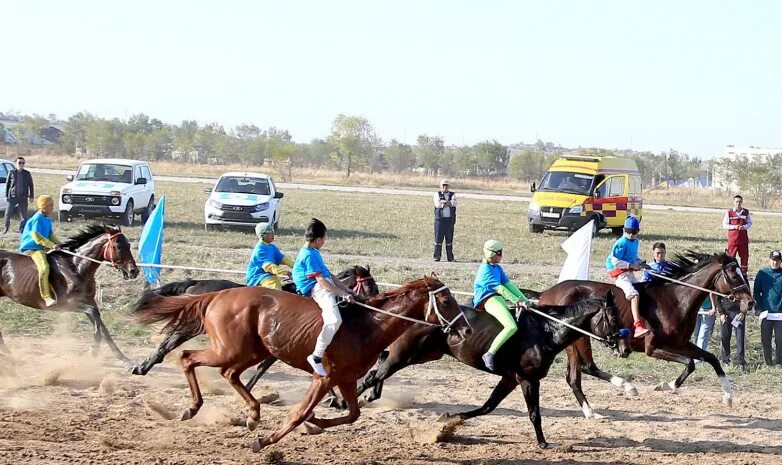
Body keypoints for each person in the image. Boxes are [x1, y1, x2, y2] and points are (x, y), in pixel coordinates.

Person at [292, 218, 356, 377]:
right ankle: (316, 356)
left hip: (323, 283)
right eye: (324, 238)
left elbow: (331, 276)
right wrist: (342, 294)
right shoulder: (309, 255)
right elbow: (320, 280)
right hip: (316, 288)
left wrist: (347, 290)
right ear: (318, 239)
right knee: (334, 320)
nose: (325, 241)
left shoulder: (314, 252)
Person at [473, 240, 531, 371]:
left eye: (501, 252)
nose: (501, 255)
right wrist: (517, 301)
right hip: (488, 300)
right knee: (511, 327)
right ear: (491, 254)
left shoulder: (497, 268)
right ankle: (489, 354)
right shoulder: (485, 270)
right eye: (499, 253)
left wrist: (525, 299)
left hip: (498, 299)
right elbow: (500, 289)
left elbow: (509, 285)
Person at [605, 216, 650, 338]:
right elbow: (616, 262)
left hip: (630, 274)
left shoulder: (635, 242)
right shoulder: (621, 242)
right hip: (620, 275)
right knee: (634, 295)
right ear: (624, 230)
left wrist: (641, 263)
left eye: (634, 232)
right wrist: (632, 265)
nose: (631, 235)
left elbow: (632, 257)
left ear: (638, 231)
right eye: (628, 232)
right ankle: (638, 326)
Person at [19, 195, 60, 307]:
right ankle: (46, 297)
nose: (52, 207)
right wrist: (51, 245)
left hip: (44, 247)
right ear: (44, 206)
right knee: (44, 268)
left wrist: (61, 245)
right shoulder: (37, 219)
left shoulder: (47, 219)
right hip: (34, 249)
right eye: (50, 205)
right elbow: (37, 237)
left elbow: (50, 235)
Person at [753, 250, 782, 367]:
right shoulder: (762, 273)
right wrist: (759, 307)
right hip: (766, 313)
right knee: (766, 340)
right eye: (773, 260)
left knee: (780, 340)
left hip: (780, 313)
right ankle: (768, 362)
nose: (775, 262)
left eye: (777, 260)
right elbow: (756, 292)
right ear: (769, 260)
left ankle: (779, 361)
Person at [245, 222, 293, 290]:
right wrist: (287, 273)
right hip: (259, 277)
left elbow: (283, 259)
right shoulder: (260, 250)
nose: (273, 235)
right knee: (276, 289)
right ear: (262, 236)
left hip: (269, 275)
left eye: (273, 232)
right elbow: (269, 266)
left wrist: (296, 265)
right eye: (270, 233)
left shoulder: (272, 247)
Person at [722, 194, 752, 275]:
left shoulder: (746, 212)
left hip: (743, 240)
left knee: (744, 257)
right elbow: (724, 225)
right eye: (736, 201)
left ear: (742, 202)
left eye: (739, 201)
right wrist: (734, 227)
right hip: (733, 240)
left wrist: (744, 227)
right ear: (734, 202)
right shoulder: (729, 212)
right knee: (731, 257)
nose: (738, 203)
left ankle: (744, 273)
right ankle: (730, 272)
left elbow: (750, 223)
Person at [4, 156, 35, 234]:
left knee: (24, 215)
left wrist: (31, 196)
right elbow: (7, 185)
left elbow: (31, 185)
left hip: (23, 197)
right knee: (8, 213)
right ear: (16, 163)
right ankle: (6, 228)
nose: (21, 164)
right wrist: (6, 196)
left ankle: (22, 229)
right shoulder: (11, 173)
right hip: (13, 196)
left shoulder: (27, 174)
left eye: (23, 163)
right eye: (19, 163)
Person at [719, 296, 746, 372]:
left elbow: (746, 298)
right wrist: (721, 313)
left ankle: (741, 363)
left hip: (738, 314)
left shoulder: (743, 283)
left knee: (740, 339)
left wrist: (743, 312)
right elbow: (717, 298)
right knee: (725, 338)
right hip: (725, 314)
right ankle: (726, 361)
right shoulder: (722, 284)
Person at [433, 179, 456, 262]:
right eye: (443, 185)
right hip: (440, 221)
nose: (445, 187)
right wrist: (448, 203)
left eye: (446, 185)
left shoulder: (453, 194)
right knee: (438, 239)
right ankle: (437, 256)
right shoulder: (437, 194)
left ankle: (450, 257)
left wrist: (444, 202)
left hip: (449, 221)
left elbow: (454, 203)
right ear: (440, 186)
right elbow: (438, 204)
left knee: (449, 239)